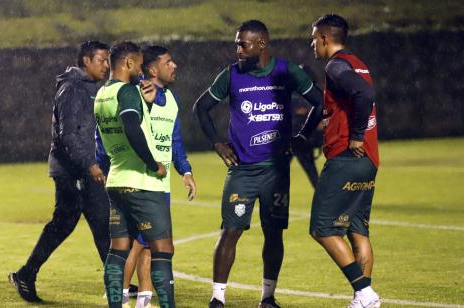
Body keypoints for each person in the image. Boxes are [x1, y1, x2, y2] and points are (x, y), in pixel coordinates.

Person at [193, 20, 323, 308]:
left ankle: (268, 297)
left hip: (276, 171)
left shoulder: (286, 71)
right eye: (237, 43)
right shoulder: (231, 75)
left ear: (261, 44)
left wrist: (303, 136)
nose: (237, 49)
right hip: (242, 171)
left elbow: (320, 101)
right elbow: (201, 107)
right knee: (231, 231)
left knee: (274, 233)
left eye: (243, 43)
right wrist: (216, 141)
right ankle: (217, 299)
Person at [8, 40, 111, 302]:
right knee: (64, 223)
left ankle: (116, 281)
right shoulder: (72, 89)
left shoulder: (89, 88)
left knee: (102, 223)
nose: (106, 65)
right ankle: (26, 274)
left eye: (108, 60)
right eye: (101, 60)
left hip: (83, 169)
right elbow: (68, 134)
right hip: (70, 170)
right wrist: (89, 163)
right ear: (86, 61)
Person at [93, 41, 176, 308]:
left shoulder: (101, 95)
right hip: (141, 182)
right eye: (139, 65)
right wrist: (154, 165)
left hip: (116, 180)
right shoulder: (127, 92)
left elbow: (123, 128)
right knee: (163, 250)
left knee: (118, 250)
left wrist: (148, 105)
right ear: (128, 63)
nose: (142, 71)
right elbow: (131, 127)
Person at [309, 14, 381, 308]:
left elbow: (364, 94)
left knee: (323, 228)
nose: (312, 44)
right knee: (358, 230)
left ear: (325, 38)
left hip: (346, 158)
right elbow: (359, 96)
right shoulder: (358, 62)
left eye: (313, 38)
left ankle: (364, 292)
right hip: (370, 160)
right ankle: (362, 301)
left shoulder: (336, 65)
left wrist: (355, 136)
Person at [120, 45, 196, 308]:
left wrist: (185, 171)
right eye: (169, 62)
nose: (174, 65)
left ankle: (143, 298)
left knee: (149, 245)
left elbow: (175, 142)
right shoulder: (136, 94)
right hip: (142, 180)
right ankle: (116, 293)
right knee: (143, 243)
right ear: (153, 69)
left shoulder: (172, 99)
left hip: (161, 183)